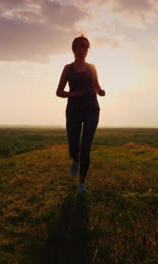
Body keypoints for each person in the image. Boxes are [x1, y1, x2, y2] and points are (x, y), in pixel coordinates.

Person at [56, 35, 106, 194]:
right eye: (81, 46)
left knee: (86, 147)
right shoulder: (68, 68)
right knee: (73, 143)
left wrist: (100, 91)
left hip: (92, 108)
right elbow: (58, 92)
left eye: (86, 46)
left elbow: (96, 85)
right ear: (73, 48)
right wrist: (73, 94)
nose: (84, 49)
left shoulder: (92, 67)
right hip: (73, 110)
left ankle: (82, 183)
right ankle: (74, 159)